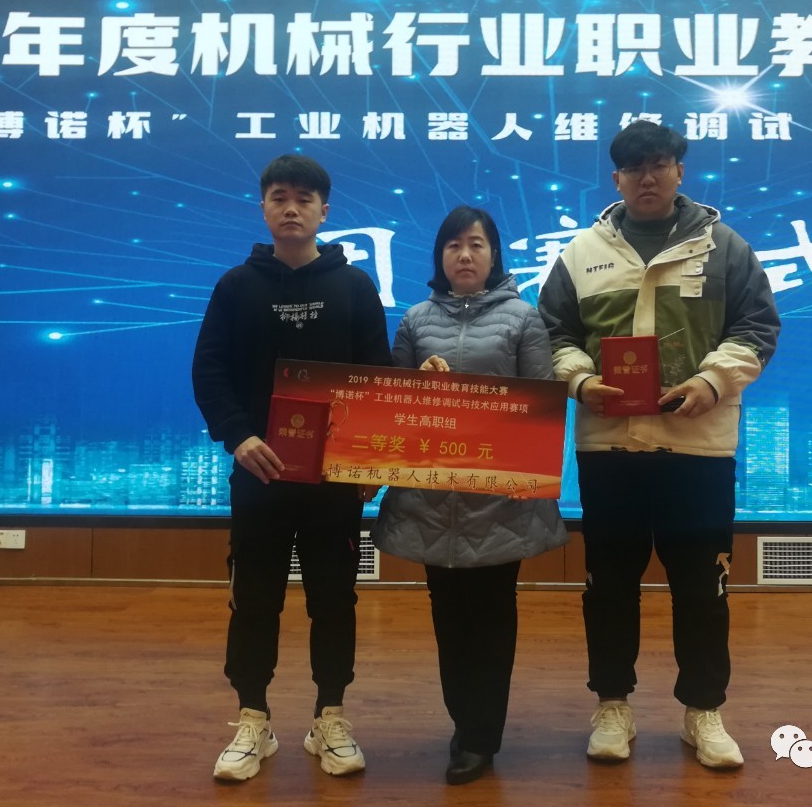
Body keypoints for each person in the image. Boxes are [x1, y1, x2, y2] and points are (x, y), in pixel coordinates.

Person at [537, 119, 780, 769]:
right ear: (616, 178)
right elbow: (553, 333)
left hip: (697, 449)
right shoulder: (580, 252)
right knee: (608, 584)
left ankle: (704, 711)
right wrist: (580, 380)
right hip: (609, 449)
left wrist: (712, 380)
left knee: (702, 586)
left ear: (679, 171)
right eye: (634, 167)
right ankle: (612, 704)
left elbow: (757, 326)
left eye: (660, 164)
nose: (648, 177)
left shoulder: (725, 247)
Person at [191, 153, 392, 782]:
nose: (292, 208)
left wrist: (368, 461)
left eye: (305, 199)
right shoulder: (235, 286)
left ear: (324, 211)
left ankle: (330, 717)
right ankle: (253, 719)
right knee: (254, 601)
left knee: (334, 601)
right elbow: (209, 371)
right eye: (279, 197)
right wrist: (239, 437)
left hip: (334, 484)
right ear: (263, 207)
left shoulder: (355, 287)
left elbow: (377, 377)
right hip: (261, 476)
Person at [371, 205, 569, 785]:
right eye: (454, 245)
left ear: (494, 255)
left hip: (499, 501)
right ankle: (464, 723)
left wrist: (482, 400)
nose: (465, 255)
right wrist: (421, 389)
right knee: (448, 619)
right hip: (432, 502)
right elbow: (396, 408)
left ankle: (482, 735)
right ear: (440, 256)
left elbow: (541, 406)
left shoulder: (524, 319)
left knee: (492, 617)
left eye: (476, 244)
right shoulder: (414, 321)